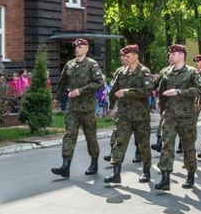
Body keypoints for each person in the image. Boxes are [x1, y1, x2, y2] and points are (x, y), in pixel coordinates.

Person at [51, 38, 105, 178]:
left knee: (90, 137)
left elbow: (99, 82)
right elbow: (63, 82)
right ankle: (65, 166)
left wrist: (80, 91)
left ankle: (94, 163)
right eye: (75, 47)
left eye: (80, 47)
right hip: (72, 108)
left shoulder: (91, 65)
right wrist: (56, 98)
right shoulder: (70, 64)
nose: (77, 49)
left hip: (87, 108)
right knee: (69, 135)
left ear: (86, 49)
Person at [155, 44, 201, 192]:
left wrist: (179, 91)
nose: (170, 56)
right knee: (166, 145)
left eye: (173, 53)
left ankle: (190, 174)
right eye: (169, 54)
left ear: (181, 55)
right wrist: (161, 110)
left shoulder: (192, 72)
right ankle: (165, 178)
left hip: (186, 116)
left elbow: (200, 89)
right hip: (170, 115)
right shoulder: (166, 72)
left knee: (188, 146)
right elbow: (161, 91)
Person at [105, 44, 153, 184]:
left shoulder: (144, 72)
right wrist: (111, 106)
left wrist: (127, 92)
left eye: (128, 56)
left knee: (144, 144)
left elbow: (147, 91)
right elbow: (114, 90)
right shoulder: (121, 72)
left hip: (140, 116)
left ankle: (146, 171)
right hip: (124, 115)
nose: (125, 58)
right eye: (124, 56)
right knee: (119, 143)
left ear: (136, 56)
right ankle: (116, 173)